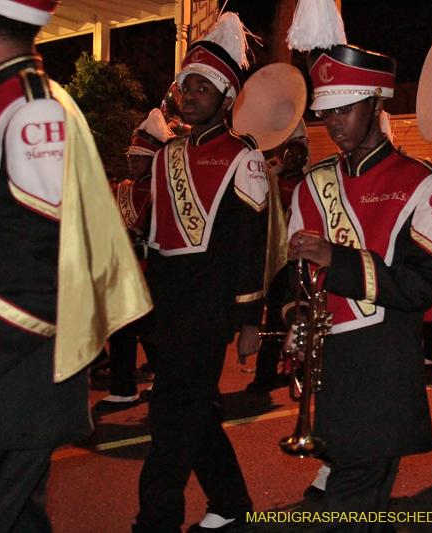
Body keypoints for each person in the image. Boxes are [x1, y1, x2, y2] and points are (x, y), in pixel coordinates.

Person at [0, 0, 150, 530]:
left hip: (7, 384)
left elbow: (57, 259)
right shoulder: (2, 98)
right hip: (2, 384)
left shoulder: (32, 107)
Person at [285, 23, 432, 531]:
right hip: (332, 368)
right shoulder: (312, 185)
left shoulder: (422, 183)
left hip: (383, 368)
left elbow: (427, 283)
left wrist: (336, 261)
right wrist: (298, 317)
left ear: (376, 106)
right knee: (362, 505)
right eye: (327, 111)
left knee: (348, 505)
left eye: (346, 108)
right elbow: (298, 275)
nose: (334, 123)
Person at [133, 12, 268, 533]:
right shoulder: (166, 154)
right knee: (193, 411)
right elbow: (155, 233)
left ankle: (154, 522)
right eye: (183, 85)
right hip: (164, 303)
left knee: (170, 420)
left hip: (209, 308)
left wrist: (249, 319)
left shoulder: (243, 157)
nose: (188, 95)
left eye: (201, 86)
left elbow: (247, 243)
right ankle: (231, 501)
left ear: (226, 98)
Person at [96, 110, 171, 410]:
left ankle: (162, 380)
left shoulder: (164, 188)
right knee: (123, 329)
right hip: (127, 270)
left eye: (138, 157)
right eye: (131, 157)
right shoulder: (123, 189)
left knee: (152, 332)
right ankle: (123, 387)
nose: (132, 162)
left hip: (154, 270)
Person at [247, 134, 310, 394]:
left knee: (288, 314)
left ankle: (296, 371)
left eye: (298, 155)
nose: (293, 158)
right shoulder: (272, 177)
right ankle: (266, 373)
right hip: (270, 256)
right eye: (289, 154)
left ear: (305, 160)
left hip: (292, 259)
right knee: (272, 317)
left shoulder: (306, 184)